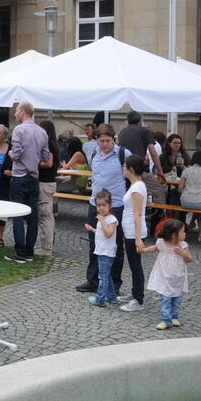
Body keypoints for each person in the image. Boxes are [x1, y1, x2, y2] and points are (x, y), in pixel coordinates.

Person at [76, 123, 128, 294]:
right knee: (94, 242)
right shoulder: (94, 153)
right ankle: (93, 280)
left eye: (107, 141)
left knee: (116, 244)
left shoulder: (123, 154)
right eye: (101, 141)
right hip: (95, 204)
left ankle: (114, 284)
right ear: (96, 140)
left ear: (113, 139)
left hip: (116, 206)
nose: (105, 144)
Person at [6, 102, 50, 263]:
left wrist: (10, 153)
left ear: (23, 112)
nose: (15, 114)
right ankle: (30, 251)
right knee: (32, 216)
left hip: (19, 176)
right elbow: (45, 156)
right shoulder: (42, 131)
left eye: (17, 111)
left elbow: (16, 154)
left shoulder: (19, 130)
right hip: (34, 177)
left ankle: (20, 252)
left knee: (17, 214)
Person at [141, 218, 193, 329]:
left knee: (177, 298)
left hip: (177, 276)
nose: (185, 234)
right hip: (164, 275)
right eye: (182, 232)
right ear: (174, 235)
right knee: (165, 298)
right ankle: (165, 319)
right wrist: (144, 250)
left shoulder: (183, 245)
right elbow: (154, 248)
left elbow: (189, 259)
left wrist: (183, 254)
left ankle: (174, 316)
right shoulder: (161, 243)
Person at [119, 154, 149, 312]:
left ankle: (138, 298)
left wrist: (138, 238)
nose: (123, 168)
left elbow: (138, 214)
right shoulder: (135, 185)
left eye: (125, 166)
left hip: (134, 232)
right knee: (133, 265)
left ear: (130, 169)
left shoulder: (137, 188)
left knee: (136, 266)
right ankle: (135, 293)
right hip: (130, 230)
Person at [84, 189, 119, 307]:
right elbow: (102, 233)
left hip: (106, 252)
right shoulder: (102, 218)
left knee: (103, 276)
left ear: (110, 205)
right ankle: (112, 296)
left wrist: (102, 221)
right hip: (101, 251)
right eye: (98, 205)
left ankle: (100, 299)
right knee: (106, 275)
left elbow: (109, 233)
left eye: (104, 205)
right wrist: (92, 229)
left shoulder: (111, 219)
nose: (101, 208)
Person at [117, 110, 166, 184]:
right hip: (138, 168)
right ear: (140, 121)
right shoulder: (145, 131)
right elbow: (153, 153)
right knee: (156, 187)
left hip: (124, 168)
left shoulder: (122, 132)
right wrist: (160, 171)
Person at [179, 150, 201, 241]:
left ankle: (195, 227)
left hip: (185, 201)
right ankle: (199, 232)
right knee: (200, 205)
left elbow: (180, 187)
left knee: (197, 206)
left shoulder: (186, 170)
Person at [37, 120, 59, 257]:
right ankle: (48, 243)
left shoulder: (48, 144)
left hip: (45, 183)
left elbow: (48, 163)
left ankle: (46, 247)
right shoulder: (53, 144)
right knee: (47, 214)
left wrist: (35, 162)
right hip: (49, 182)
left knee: (45, 214)